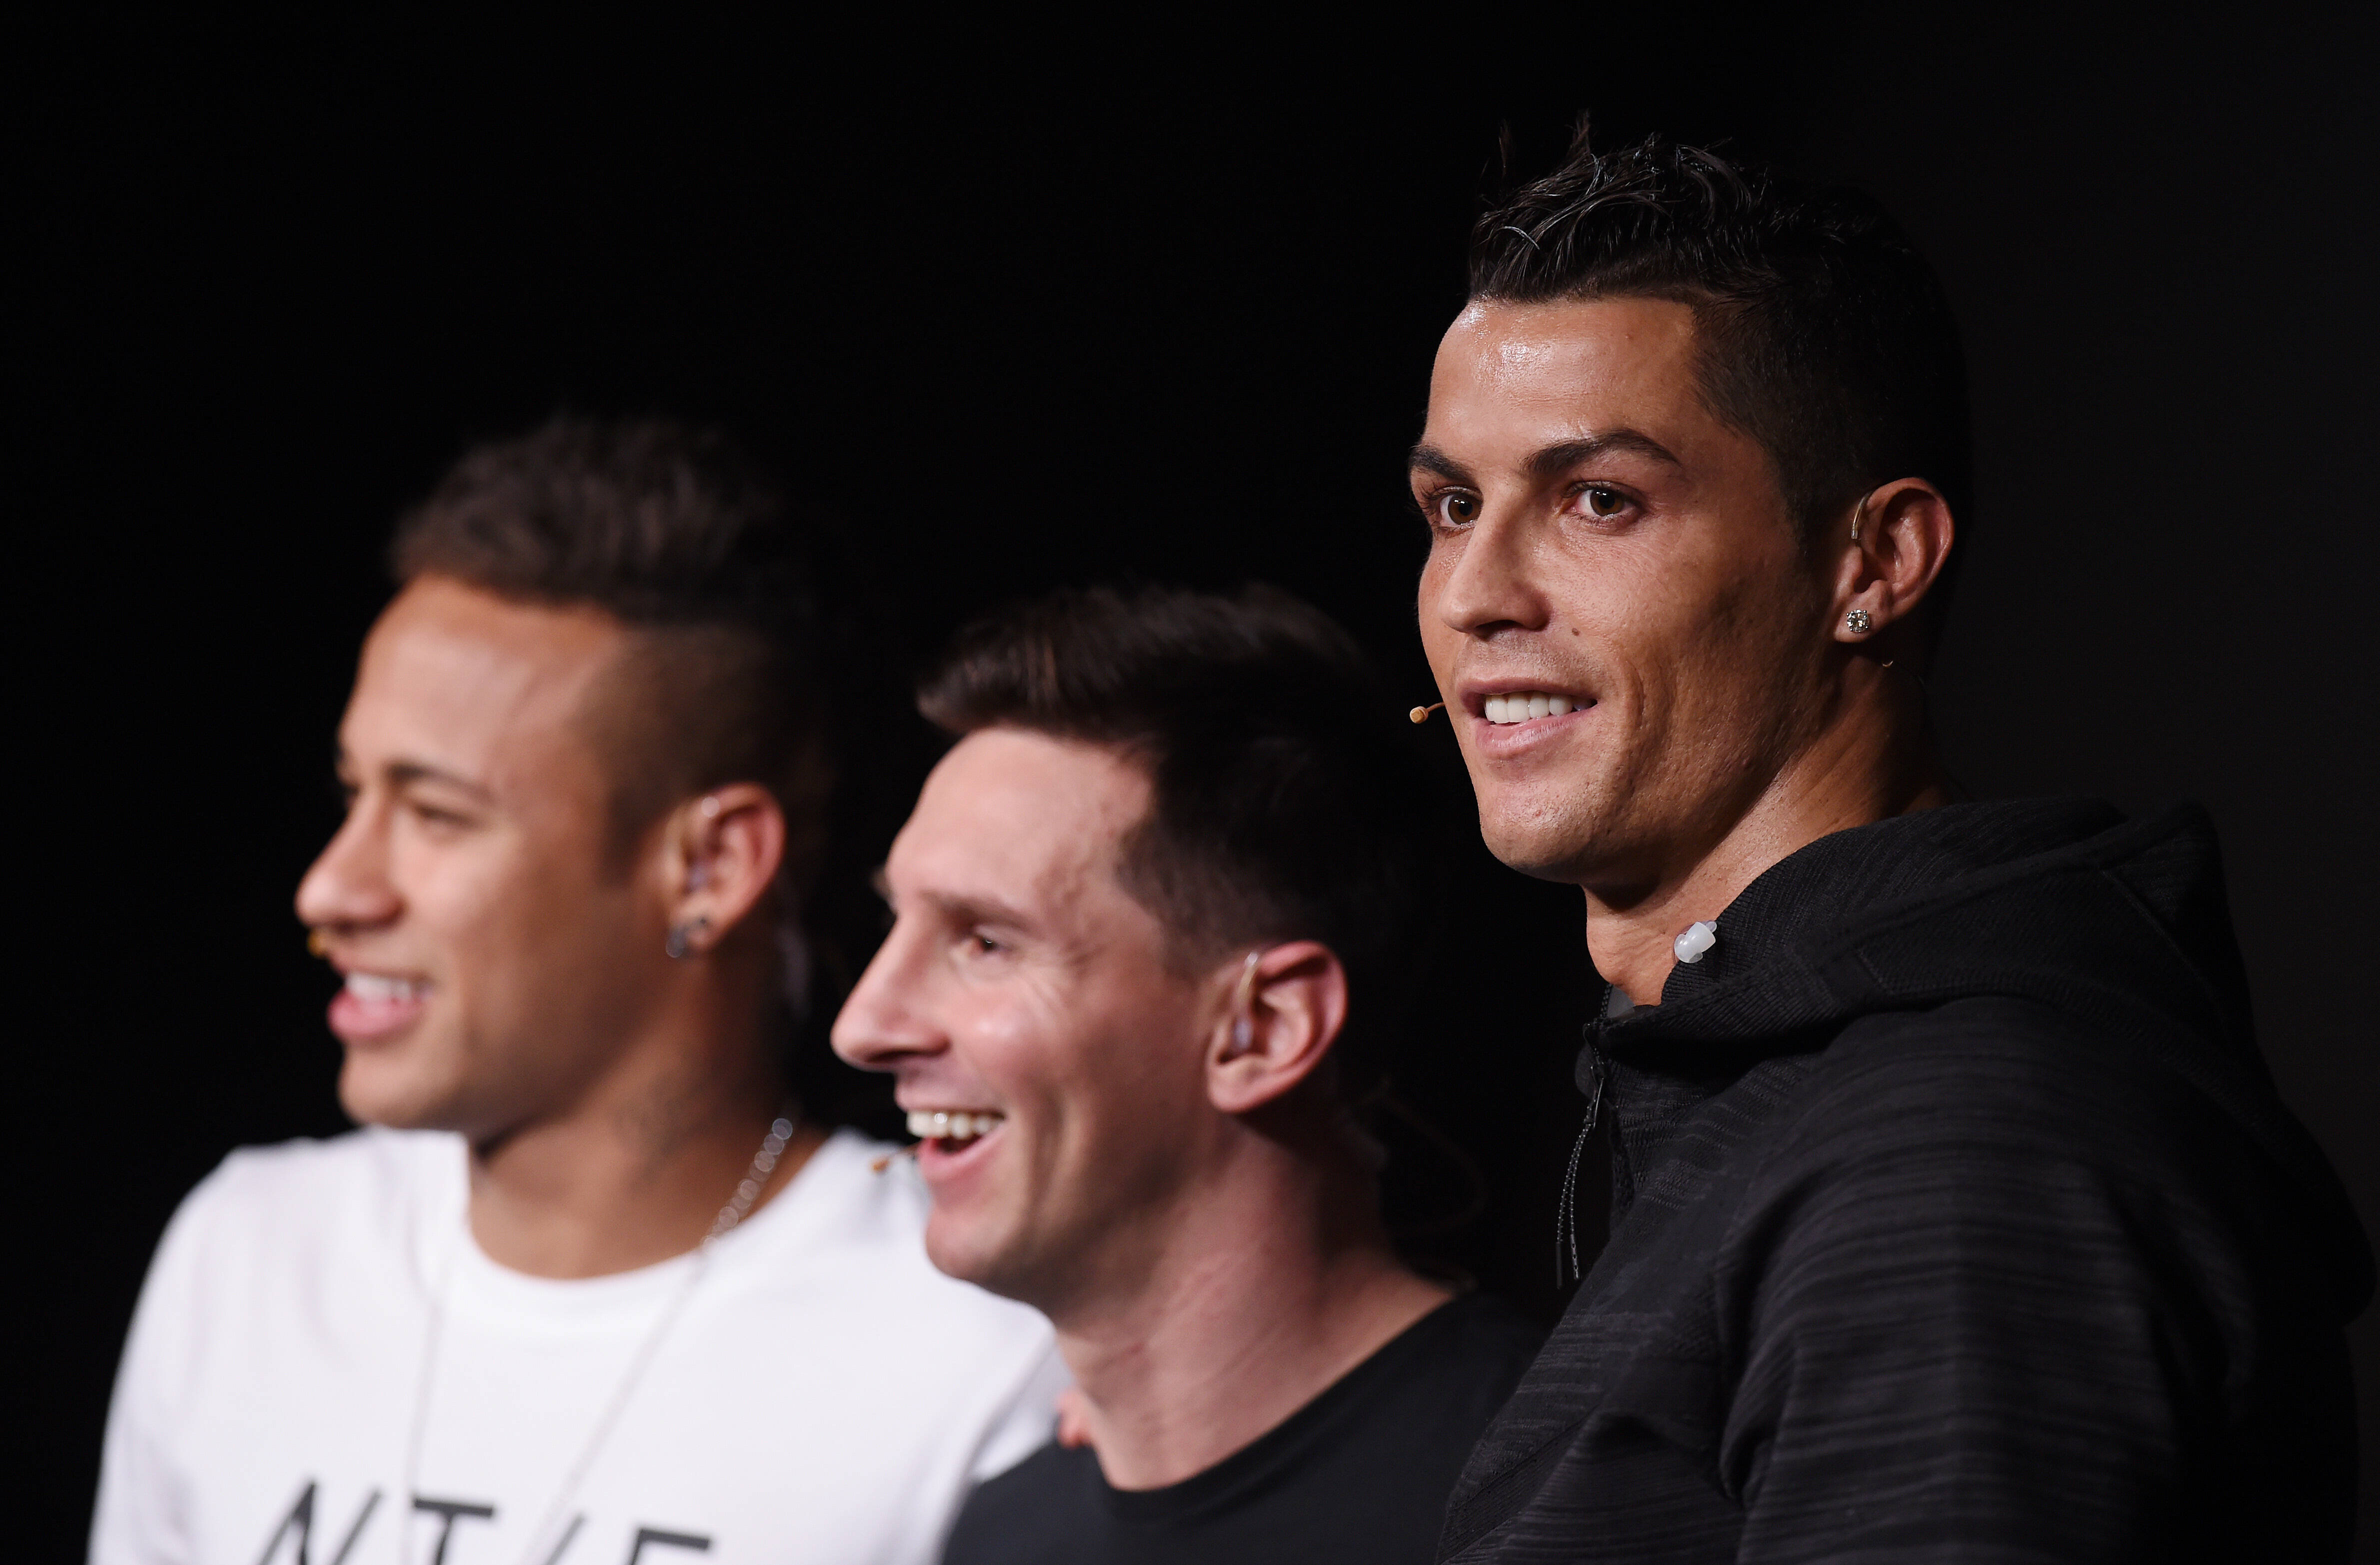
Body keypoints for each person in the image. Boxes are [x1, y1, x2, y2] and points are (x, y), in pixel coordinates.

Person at [1406, 129, 2373, 1562]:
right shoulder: (1804, 1097)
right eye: (1453, 507)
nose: (1478, 592)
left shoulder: (1957, 1152)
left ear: (1874, 565)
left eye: (1599, 498)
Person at [92, 419, 1064, 1565]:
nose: (331, 887)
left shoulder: (985, 1346)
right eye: (354, 792)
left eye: (437, 813)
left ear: (707, 869)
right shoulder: (246, 1258)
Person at [831, 585, 1544, 1565]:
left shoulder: (1560, 1498)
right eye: (892, 922)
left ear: (1261, 1027)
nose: (863, 1025)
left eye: (985, 941)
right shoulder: (999, 1529)